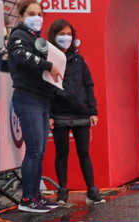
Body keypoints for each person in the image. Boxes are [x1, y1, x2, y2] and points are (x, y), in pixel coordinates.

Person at [7, 1, 63, 213]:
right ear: (21, 16)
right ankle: (28, 198)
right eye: (32, 13)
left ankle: (36, 196)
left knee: (40, 151)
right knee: (34, 150)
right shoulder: (18, 37)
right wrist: (49, 65)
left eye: (40, 13)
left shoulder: (36, 39)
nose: (37, 17)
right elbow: (22, 58)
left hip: (41, 98)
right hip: (27, 98)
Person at [47, 19, 103, 205]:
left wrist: (92, 111)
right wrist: (49, 115)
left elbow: (89, 85)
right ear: (54, 36)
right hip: (59, 113)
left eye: (69, 34)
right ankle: (62, 191)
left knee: (84, 153)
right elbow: (45, 88)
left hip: (81, 113)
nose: (66, 37)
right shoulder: (48, 59)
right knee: (62, 153)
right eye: (62, 34)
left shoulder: (80, 59)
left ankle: (92, 190)